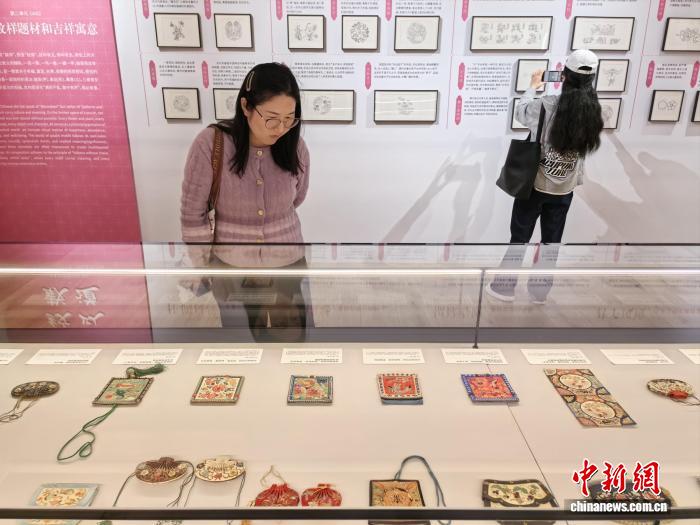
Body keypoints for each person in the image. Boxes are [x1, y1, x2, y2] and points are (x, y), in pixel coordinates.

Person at [180, 62, 311, 340]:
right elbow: (192, 215)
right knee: (240, 342)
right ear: (246, 106)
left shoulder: (296, 147)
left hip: (288, 265)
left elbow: (297, 197)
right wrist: (203, 266)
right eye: (271, 118)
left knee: (295, 338)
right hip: (232, 269)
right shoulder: (211, 144)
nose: (281, 128)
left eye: (290, 118)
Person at [487, 49, 604, 304]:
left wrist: (532, 86)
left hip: (535, 185)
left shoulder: (547, 104)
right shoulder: (594, 111)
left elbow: (521, 112)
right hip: (564, 190)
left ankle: (504, 288)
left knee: (520, 237)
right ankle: (539, 293)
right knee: (552, 243)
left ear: (564, 76)